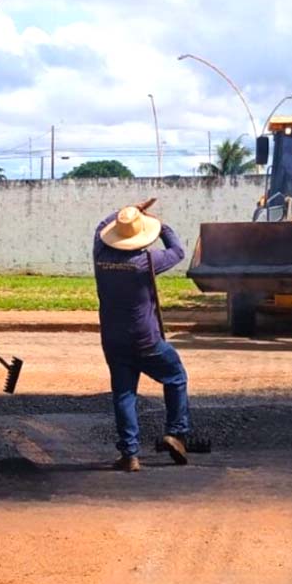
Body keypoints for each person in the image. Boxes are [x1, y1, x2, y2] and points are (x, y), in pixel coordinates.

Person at [93, 199, 191, 472]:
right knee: (175, 377)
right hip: (145, 339)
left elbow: (101, 228)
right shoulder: (145, 262)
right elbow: (178, 251)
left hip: (113, 339)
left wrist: (126, 212)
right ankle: (176, 432)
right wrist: (159, 225)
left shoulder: (100, 257)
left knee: (124, 394)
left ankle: (129, 454)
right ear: (141, 235)